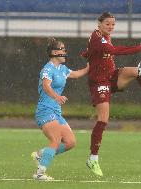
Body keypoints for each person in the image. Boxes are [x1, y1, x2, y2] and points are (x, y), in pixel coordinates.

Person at [81, 12, 141, 176]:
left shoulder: (103, 36)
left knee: (139, 71)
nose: (111, 27)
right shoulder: (97, 37)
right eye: (107, 24)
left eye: (113, 24)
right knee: (103, 119)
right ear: (99, 24)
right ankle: (93, 158)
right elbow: (114, 51)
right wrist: (138, 48)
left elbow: (100, 53)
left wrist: (88, 54)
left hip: (111, 76)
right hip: (100, 82)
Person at [31, 38, 89, 180]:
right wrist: (57, 97)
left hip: (56, 112)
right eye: (63, 49)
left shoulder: (62, 69)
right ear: (55, 52)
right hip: (45, 110)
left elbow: (76, 74)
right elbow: (46, 86)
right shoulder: (47, 69)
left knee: (70, 142)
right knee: (56, 140)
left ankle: (41, 154)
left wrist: (90, 67)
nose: (65, 52)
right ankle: (39, 173)